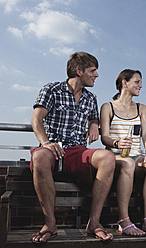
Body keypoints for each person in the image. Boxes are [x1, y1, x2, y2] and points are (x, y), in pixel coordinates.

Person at [30, 52, 115, 244]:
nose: (97, 75)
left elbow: (93, 117)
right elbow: (36, 119)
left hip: (77, 150)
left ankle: (94, 223)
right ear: (79, 71)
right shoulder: (51, 90)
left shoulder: (91, 98)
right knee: (40, 157)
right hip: (53, 147)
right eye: (93, 71)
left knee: (108, 158)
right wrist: (46, 143)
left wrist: (94, 124)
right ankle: (50, 224)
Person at [100, 69, 146, 239]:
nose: (140, 86)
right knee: (127, 163)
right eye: (137, 82)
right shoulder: (108, 107)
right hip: (115, 158)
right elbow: (105, 137)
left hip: (136, 156)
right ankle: (123, 220)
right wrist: (117, 143)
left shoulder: (141, 108)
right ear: (124, 82)